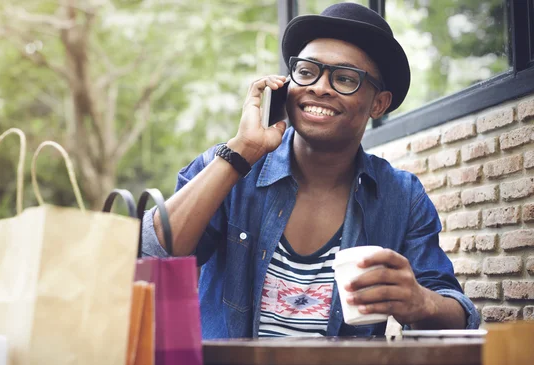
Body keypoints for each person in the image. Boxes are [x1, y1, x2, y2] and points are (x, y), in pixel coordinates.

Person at [142, 2, 480, 338]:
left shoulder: (402, 197)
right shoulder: (231, 168)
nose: (319, 87)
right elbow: (153, 256)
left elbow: (458, 316)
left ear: (378, 104)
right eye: (306, 72)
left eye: (345, 78)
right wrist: (243, 151)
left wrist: (421, 302)